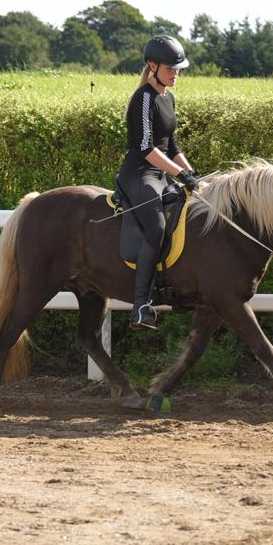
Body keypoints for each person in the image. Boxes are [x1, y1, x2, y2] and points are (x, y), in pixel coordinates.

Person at [118, 34, 200, 330]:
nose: (175, 73)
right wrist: (179, 175)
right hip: (139, 174)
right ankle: (141, 305)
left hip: (162, 173)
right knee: (158, 226)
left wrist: (192, 175)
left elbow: (172, 146)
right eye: (170, 68)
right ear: (152, 66)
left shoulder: (168, 97)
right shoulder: (143, 98)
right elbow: (145, 148)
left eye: (178, 69)